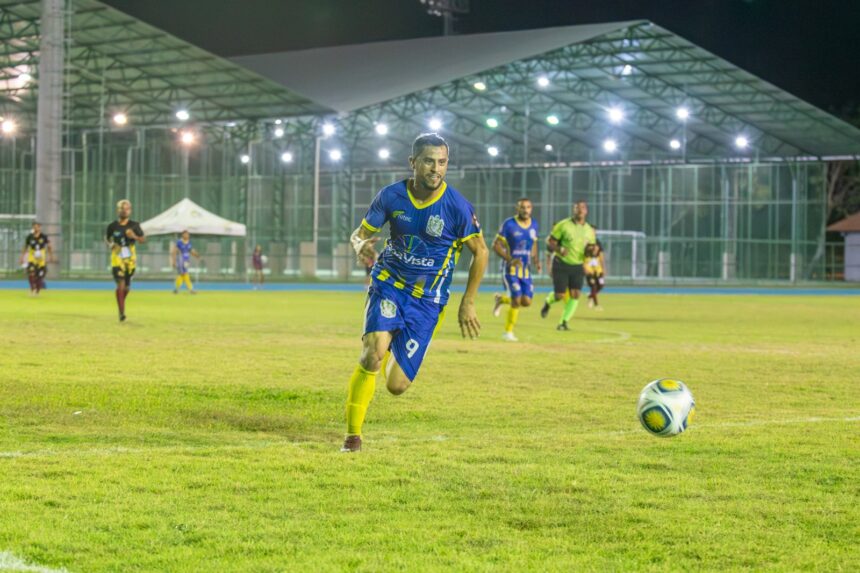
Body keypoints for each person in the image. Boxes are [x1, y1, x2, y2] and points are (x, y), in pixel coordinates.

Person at [341, 133, 488, 453]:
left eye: (442, 162)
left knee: (396, 386)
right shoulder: (391, 196)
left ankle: (396, 342)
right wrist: (359, 245)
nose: (436, 169)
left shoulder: (458, 207)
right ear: (413, 163)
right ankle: (352, 437)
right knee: (372, 353)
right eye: (428, 161)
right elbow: (359, 234)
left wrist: (469, 302)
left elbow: (481, 252)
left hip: (427, 301)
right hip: (389, 285)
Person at [540, 200, 596, 331]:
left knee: (576, 294)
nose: (580, 210)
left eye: (582, 207)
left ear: (586, 211)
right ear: (573, 210)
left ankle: (563, 322)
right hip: (561, 264)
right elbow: (550, 242)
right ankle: (548, 302)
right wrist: (559, 249)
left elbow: (590, 249)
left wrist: (591, 251)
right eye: (577, 207)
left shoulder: (589, 230)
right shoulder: (563, 225)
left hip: (577, 265)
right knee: (559, 295)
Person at [491, 198, 540, 341]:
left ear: (531, 209)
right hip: (510, 269)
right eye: (522, 207)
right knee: (517, 299)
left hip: (525, 270)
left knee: (526, 301)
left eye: (528, 207)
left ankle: (501, 300)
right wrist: (510, 259)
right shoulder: (509, 224)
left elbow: (534, 243)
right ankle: (508, 332)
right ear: (517, 209)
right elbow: (496, 245)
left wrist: (536, 260)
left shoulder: (534, 225)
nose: (525, 210)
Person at [105, 199, 145, 322]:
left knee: (126, 287)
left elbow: (142, 240)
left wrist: (133, 236)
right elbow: (107, 238)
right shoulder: (112, 226)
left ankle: (120, 302)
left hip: (130, 257)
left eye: (127, 208)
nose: (124, 210)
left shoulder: (134, 225)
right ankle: (122, 313)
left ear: (130, 210)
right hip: (117, 257)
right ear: (118, 210)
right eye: (122, 208)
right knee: (120, 284)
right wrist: (111, 244)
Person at [20, 221, 55, 296]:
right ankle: (32, 289)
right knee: (31, 273)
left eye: (38, 226)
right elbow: (25, 247)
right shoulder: (29, 236)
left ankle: (37, 291)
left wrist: (51, 256)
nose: (36, 228)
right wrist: (22, 257)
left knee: (40, 275)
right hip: (32, 257)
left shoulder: (44, 236)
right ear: (33, 227)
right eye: (34, 226)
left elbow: (49, 247)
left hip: (41, 258)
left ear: (40, 227)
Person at [171, 230, 200, 294]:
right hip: (181, 260)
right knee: (185, 274)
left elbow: (191, 250)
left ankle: (176, 289)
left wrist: (196, 255)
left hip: (186, 261)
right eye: (186, 234)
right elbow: (174, 252)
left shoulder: (189, 242)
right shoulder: (179, 242)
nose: (187, 235)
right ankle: (191, 289)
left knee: (182, 275)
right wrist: (174, 261)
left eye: (188, 234)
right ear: (183, 235)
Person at [584, 240, 606, 310]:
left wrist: (603, 270)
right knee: (594, 286)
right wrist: (587, 272)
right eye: (595, 246)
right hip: (590, 273)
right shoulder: (587, 254)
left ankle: (590, 296)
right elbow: (584, 264)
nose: (596, 248)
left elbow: (601, 261)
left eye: (597, 247)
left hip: (599, 273)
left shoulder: (599, 255)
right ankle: (596, 305)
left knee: (601, 285)